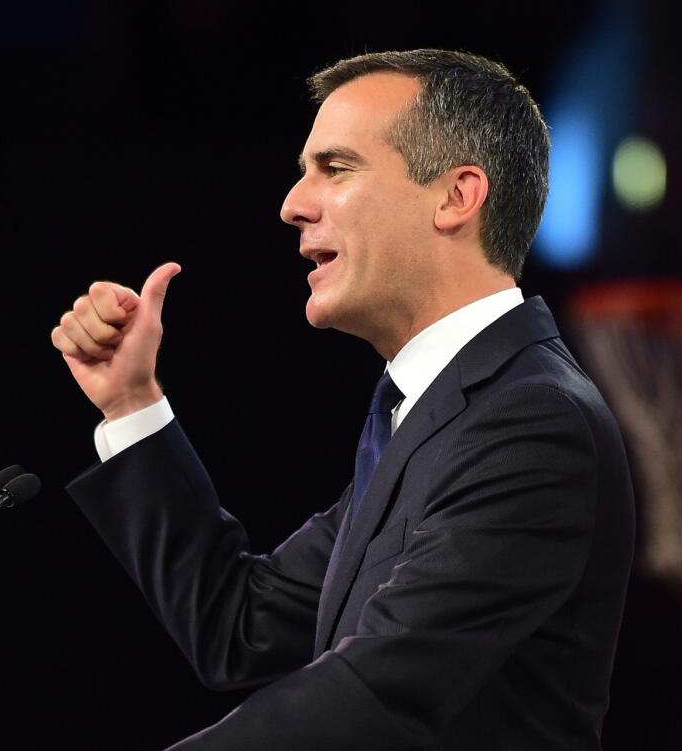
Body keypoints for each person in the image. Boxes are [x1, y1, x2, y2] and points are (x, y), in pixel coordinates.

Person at [52, 49, 634, 750]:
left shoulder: (534, 423)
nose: (293, 204)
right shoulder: (431, 415)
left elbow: (375, 692)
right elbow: (238, 624)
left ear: (456, 196)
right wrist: (131, 403)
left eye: (335, 167)